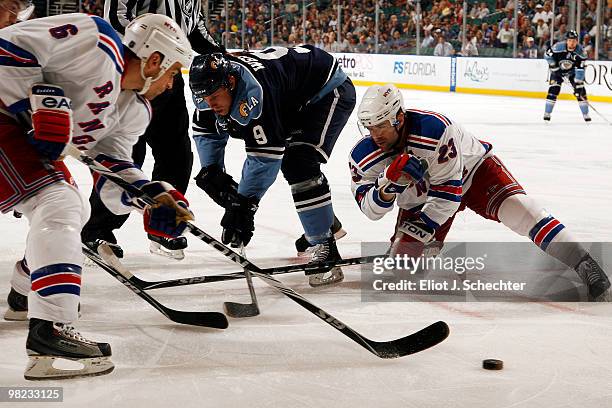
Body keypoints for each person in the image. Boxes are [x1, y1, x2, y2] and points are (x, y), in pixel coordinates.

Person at [1, 13, 194, 379]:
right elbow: (6, 48)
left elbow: (111, 176)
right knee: (59, 203)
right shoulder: (95, 38)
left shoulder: (132, 110)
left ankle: (23, 292)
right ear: (155, 60)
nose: (171, 85)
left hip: (12, 139)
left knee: (64, 207)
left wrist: (151, 199)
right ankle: (51, 329)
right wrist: (32, 108)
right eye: (173, 72)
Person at [349, 84, 611, 302]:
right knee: (402, 272)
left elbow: (450, 193)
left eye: (381, 125)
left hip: (473, 173)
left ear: (399, 118)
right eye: (369, 127)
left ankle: (585, 264)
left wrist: (422, 228)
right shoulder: (363, 156)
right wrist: (388, 184)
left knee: (521, 210)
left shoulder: (435, 129)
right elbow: (371, 211)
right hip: (424, 198)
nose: (375, 135)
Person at [189, 46, 356, 287]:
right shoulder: (209, 90)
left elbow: (264, 157)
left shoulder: (255, 93)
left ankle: (324, 246)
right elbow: (207, 131)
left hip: (326, 92)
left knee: (299, 163)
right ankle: (325, 222)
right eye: (203, 98)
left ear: (231, 81)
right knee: (295, 162)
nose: (209, 103)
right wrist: (212, 169)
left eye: (214, 96)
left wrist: (244, 205)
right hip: (291, 97)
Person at [81, 0, 224, 260]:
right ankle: (98, 230)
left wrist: (220, 56)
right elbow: (117, 18)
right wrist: (144, 60)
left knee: (177, 154)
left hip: (167, 72)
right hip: (140, 69)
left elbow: (195, 29)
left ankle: (161, 223)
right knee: (124, 155)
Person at [543, 30, 590, 122]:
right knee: (554, 89)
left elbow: (580, 70)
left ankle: (586, 114)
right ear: (566, 40)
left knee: (581, 92)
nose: (572, 43)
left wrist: (578, 86)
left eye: (574, 40)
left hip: (572, 73)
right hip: (557, 71)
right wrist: (555, 68)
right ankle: (547, 113)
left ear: (577, 41)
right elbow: (547, 55)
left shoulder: (581, 52)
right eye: (570, 40)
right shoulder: (558, 47)